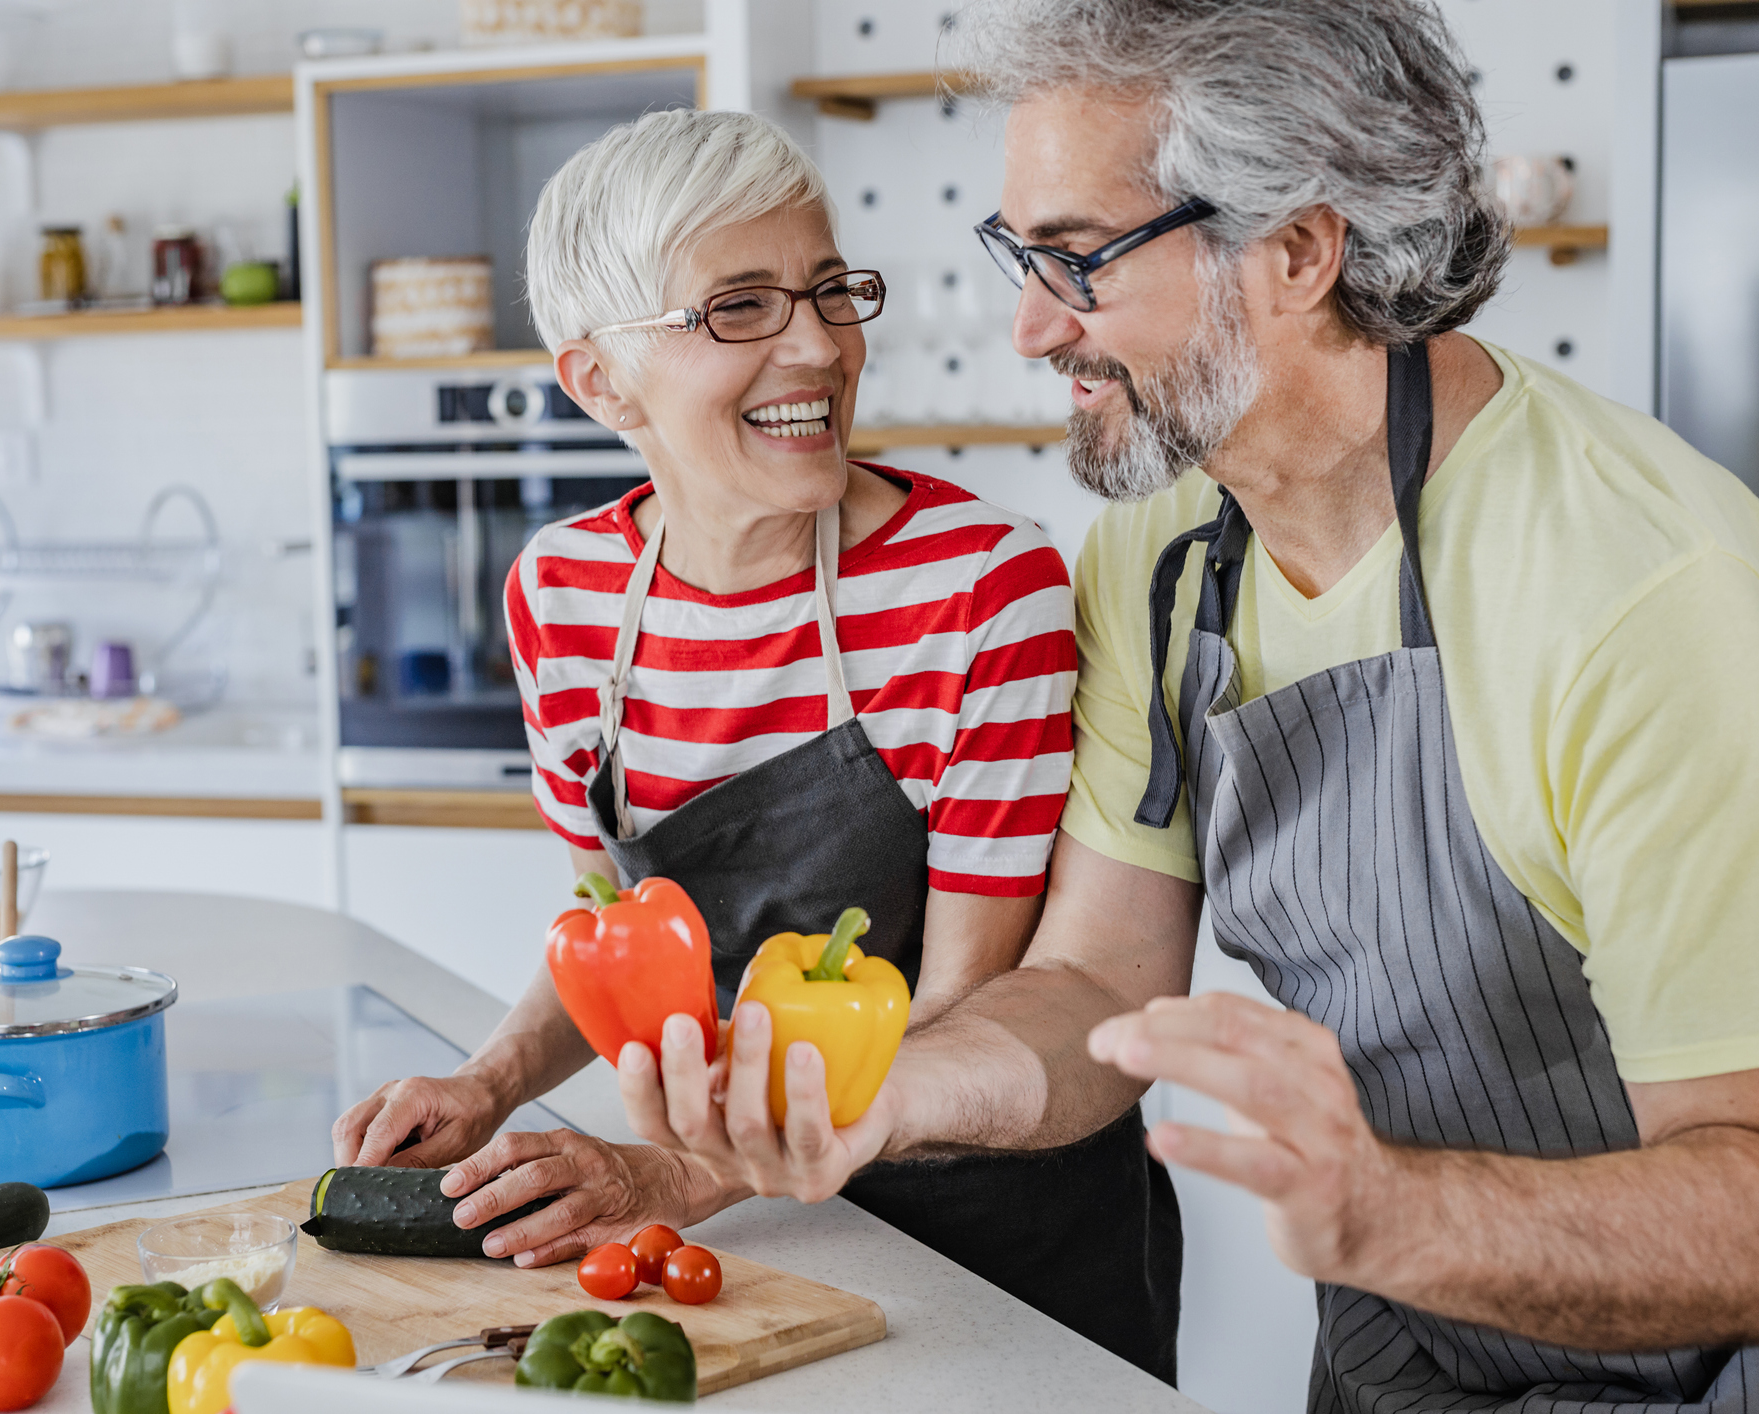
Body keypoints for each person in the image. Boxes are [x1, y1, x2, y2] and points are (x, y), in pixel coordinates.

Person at [619, 3, 1759, 1411]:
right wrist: (880, 1096)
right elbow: (1098, 977)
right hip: (1402, 1361)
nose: (1032, 327)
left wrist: (1389, 1214)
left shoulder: (1643, 593)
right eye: (1018, 258)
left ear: (1295, 249)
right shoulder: (1163, 554)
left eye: (1077, 260)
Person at [330, 107, 1181, 1380]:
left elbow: (959, 1003)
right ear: (600, 380)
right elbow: (618, 935)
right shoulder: (561, 599)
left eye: (829, 291)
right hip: (738, 1242)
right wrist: (493, 1079)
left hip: (996, 1233)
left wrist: (679, 1169)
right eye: (739, 308)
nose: (820, 346)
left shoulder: (980, 589)